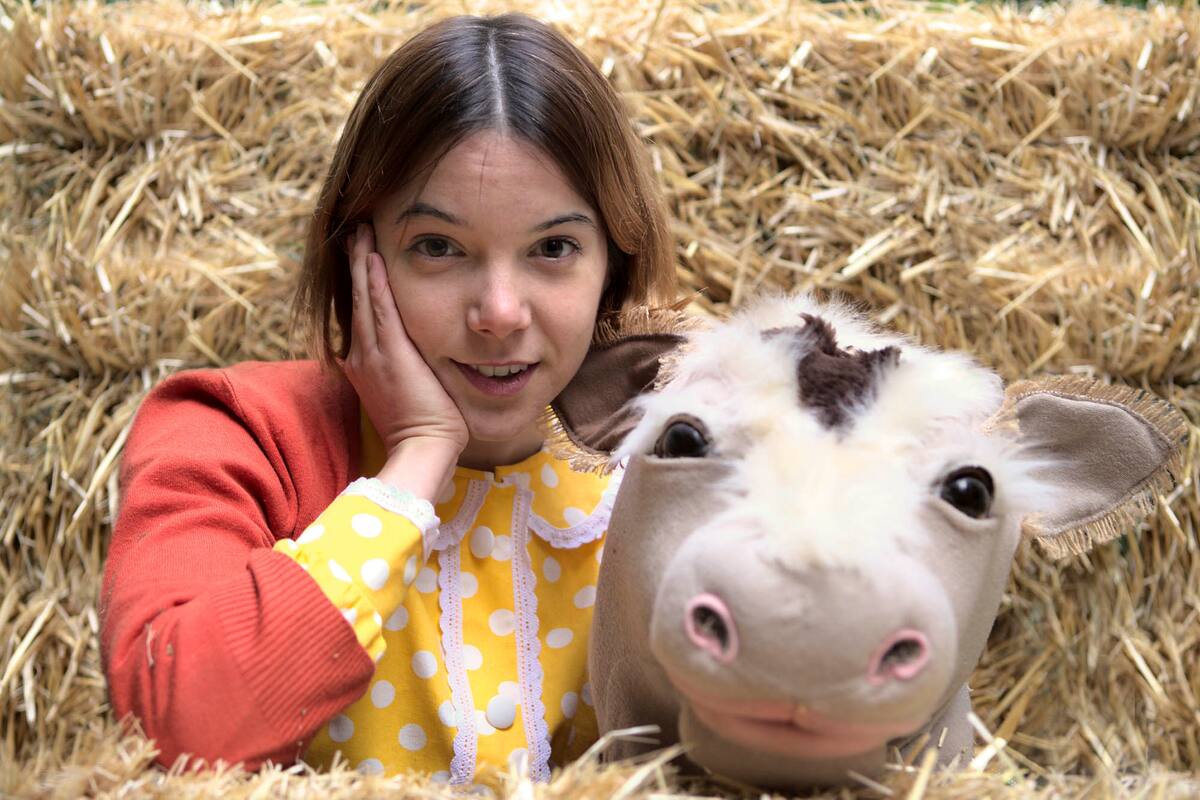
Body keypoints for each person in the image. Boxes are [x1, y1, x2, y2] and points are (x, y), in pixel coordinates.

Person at [98, 12, 676, 786]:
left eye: (553, 249)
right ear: (358, 253)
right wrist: (416, 465)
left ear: (614, 261)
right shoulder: (232, 432)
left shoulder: (680, 450)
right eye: (438, 248)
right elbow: (180, 726)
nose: (500, 312)